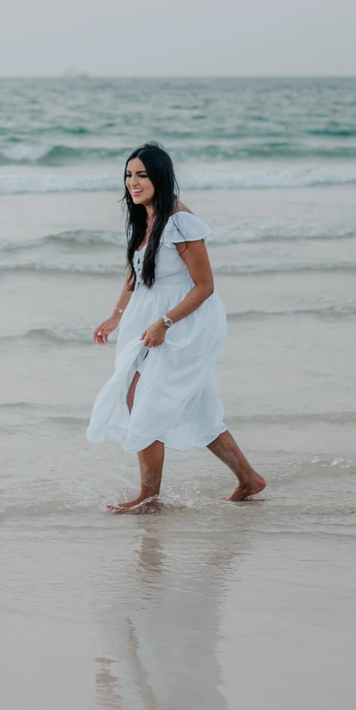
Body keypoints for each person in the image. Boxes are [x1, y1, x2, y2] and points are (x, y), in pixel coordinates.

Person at [88, 143, 265, 512]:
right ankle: (249, 479)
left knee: (145, 400)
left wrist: (165, 323)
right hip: (151, 318)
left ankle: (149, 498)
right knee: (195, 405)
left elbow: (205, 285)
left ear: (160, 177)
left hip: (187, 321)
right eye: (128, 175)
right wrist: (116, 314)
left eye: (142, 175)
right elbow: (137, 273)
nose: (133, 183)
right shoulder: (142, 216)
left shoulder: (179, 220)